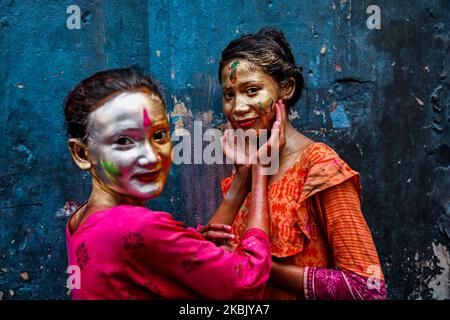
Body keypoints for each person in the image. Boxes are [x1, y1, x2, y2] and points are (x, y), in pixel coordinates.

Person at [63, 68, 276, 299]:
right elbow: (247, 278)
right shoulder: (136, 227)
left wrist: (242, 179)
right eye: (123, 141)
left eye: (159, 136)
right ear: (82, 154)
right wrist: (262, 167)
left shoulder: (81, 218)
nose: (152, 157)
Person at [208, 28, 387, 300]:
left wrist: (258, 267)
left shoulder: (319, 168)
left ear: (287, 88)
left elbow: (367, 289)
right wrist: (245, 178)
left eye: (252, 90)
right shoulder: (243, 172)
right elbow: (205, 269)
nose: (238, 107)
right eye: (229, 95)